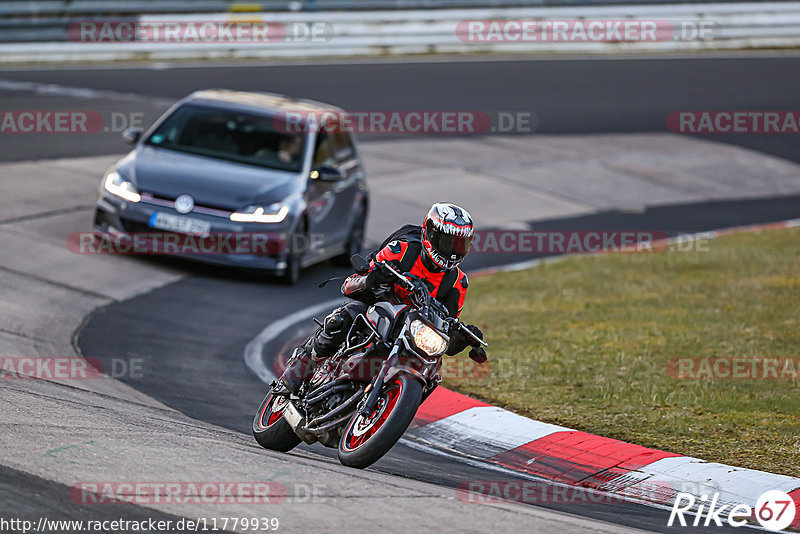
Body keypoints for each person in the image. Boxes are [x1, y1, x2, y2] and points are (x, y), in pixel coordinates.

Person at [280, 202, 487, 393]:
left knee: (433, 372)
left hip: (411, 332)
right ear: (429, 234)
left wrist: (458, 337)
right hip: (377, 307)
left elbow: (447, 322)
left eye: (459, 244)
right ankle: (304, 362)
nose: (452, 251)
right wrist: (374, 279)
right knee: (345, 317)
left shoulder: (458, 282)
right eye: (447, 242)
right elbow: (350, 285)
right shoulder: (402, 249)